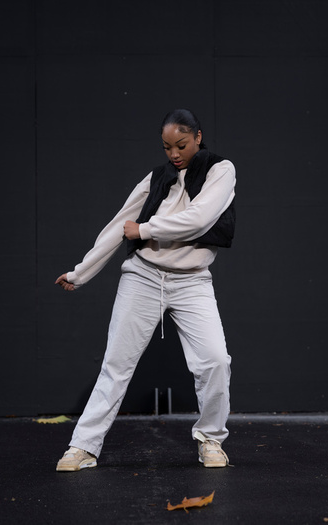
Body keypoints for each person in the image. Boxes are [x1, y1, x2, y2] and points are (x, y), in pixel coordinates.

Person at [54, 109, 236, 471]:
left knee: (215, 361)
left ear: (198, 137)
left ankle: (211, 440)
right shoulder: (156, 178)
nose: (174, 154)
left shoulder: (221, 170)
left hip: (192, 280)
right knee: (116, 365)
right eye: (167, 147)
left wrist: (146, 229)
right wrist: (81, 272)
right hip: (144, 276)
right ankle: (83, 447)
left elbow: (199, 218)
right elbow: (117, 226)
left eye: (181, 145)